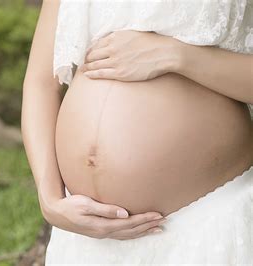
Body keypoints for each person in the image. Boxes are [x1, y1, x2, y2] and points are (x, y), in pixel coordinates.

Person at [21, 0, 253, 264]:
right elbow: (41, 83)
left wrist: (178, 56)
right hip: (87, 237)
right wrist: (50, 199)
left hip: (206, 223)